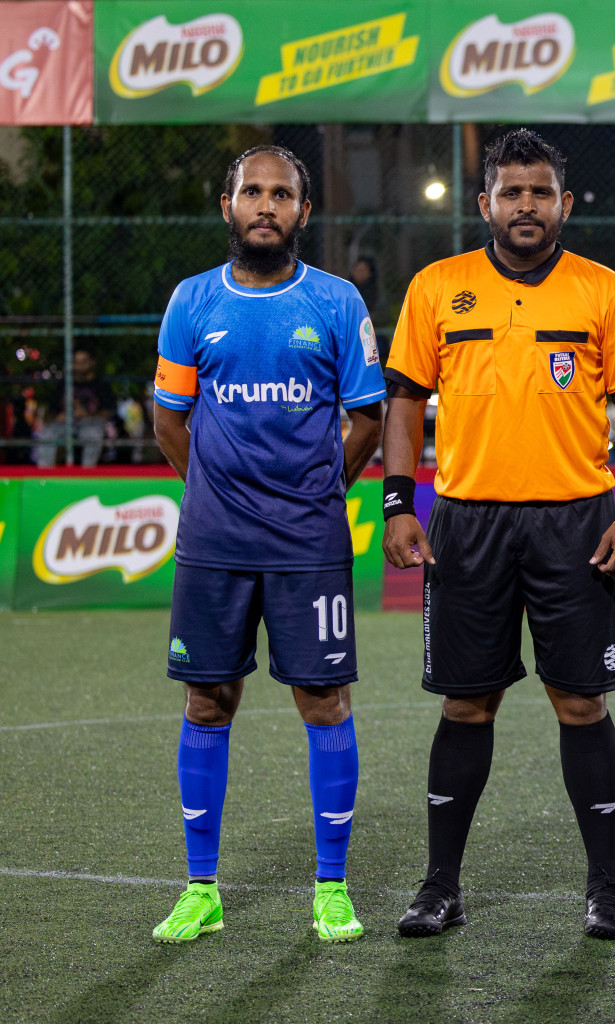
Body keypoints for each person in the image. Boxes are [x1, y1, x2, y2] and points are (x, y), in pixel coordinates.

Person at [382, 129, 615, 940]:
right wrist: (400, 504)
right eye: (512, 192)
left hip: (577, 521)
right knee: (468, 706)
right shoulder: (438, 287)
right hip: (468, 523)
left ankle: (606, 887)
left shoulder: (604, 291)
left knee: (581, 703)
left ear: (565, 204)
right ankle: (440, 886)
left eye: (541, 192)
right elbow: (403, 402)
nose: (527, 205)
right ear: (486, 204)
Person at [149, 145, 385, 943]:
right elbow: (168, 419)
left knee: (323, 701)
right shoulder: (190, 301)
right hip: (214, 542)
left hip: (308, 544)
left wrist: (322, 490)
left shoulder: (336, 301)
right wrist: (213, 488)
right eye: (251, 190)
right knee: (207, 700)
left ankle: (331, 887)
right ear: (227, 205)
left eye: (281, 193)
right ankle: (201, 889)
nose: (265, 204)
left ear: (303, 212)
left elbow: (367, 418)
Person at [31, 346, 116, 467]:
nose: (79, 366)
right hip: (65, 422)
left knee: (93, 434)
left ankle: (87, 475)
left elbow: (108, 412)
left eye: (83, 361)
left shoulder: (101, 386)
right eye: (76, 362)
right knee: (47, 433)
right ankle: (45, 476)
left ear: (92, 362)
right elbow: (51, 412)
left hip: (90, 423)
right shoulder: (63, 384)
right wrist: (59, 416)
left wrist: (86, 415)